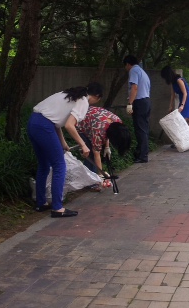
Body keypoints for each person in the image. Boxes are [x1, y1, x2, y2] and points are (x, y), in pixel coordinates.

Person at [27, 83, 103, 217]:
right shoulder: (83, 101)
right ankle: (57, 208)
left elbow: (56, 122)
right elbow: (69, 125)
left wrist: (63, 143)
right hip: (45, 127)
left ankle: (41, 203)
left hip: (34, 123)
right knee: (59, 165)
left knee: (44, 165)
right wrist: (83, 145)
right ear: (97, 96)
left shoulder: (68, 95)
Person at [76, 106, 132, 183]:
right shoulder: (99, 130)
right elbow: (97, 153)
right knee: (90, 153)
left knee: (93, 151)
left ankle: (93, 178)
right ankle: (90, 181)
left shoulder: (117, 122)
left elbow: (108, 132)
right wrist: (101, 174)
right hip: (80, 122)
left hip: (92, 119)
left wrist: (107, 147)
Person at [123, 55, 151, 163]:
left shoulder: (133, 71)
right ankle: (141, 152)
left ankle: (142, 156)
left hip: (139, 102)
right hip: (146, 101)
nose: (126, 68)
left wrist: (130, 103)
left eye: (125, 66)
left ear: (128, 64)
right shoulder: (142, 72)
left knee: (140, 129)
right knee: (144, 128)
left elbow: (134, 87)